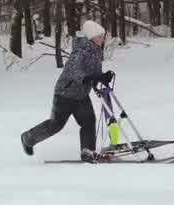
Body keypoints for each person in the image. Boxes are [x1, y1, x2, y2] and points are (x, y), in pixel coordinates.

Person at [21, 20, 115, 162]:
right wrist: (84, 78)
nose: (102, 39)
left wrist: (101, 77)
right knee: (56, 125)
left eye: (102, 36)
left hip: (81, 95)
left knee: (88, 121)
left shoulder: (96, 52)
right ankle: (28, 138)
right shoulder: (80, 51)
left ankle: (87, 151)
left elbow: (94, 74)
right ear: (91, 37)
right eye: (99, 36)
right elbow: (73, 70)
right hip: (65, 94)